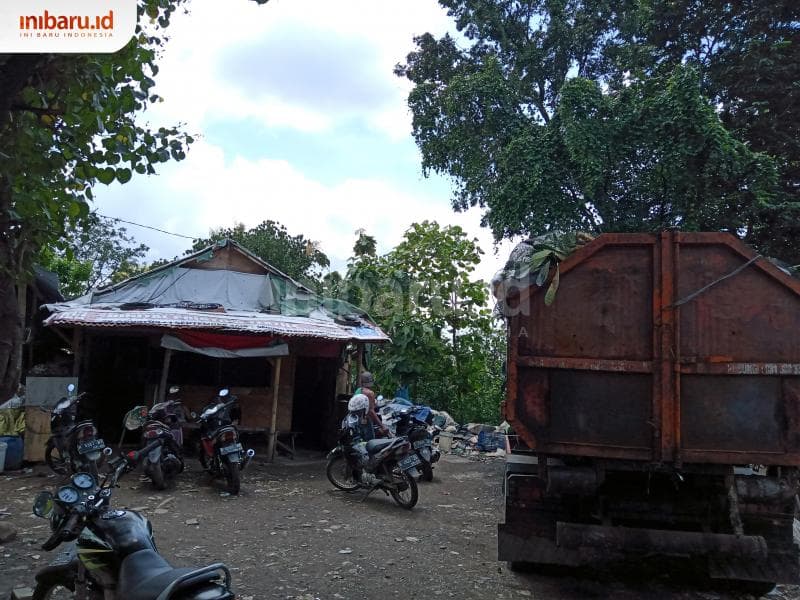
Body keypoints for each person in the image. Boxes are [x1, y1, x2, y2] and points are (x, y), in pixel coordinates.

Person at [355, 371, 389, 440]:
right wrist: (382, 426)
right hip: (365, 421)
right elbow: (371, 412)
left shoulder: (358, 390)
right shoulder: (370, 393)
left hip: (356, 420)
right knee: (370, 442)